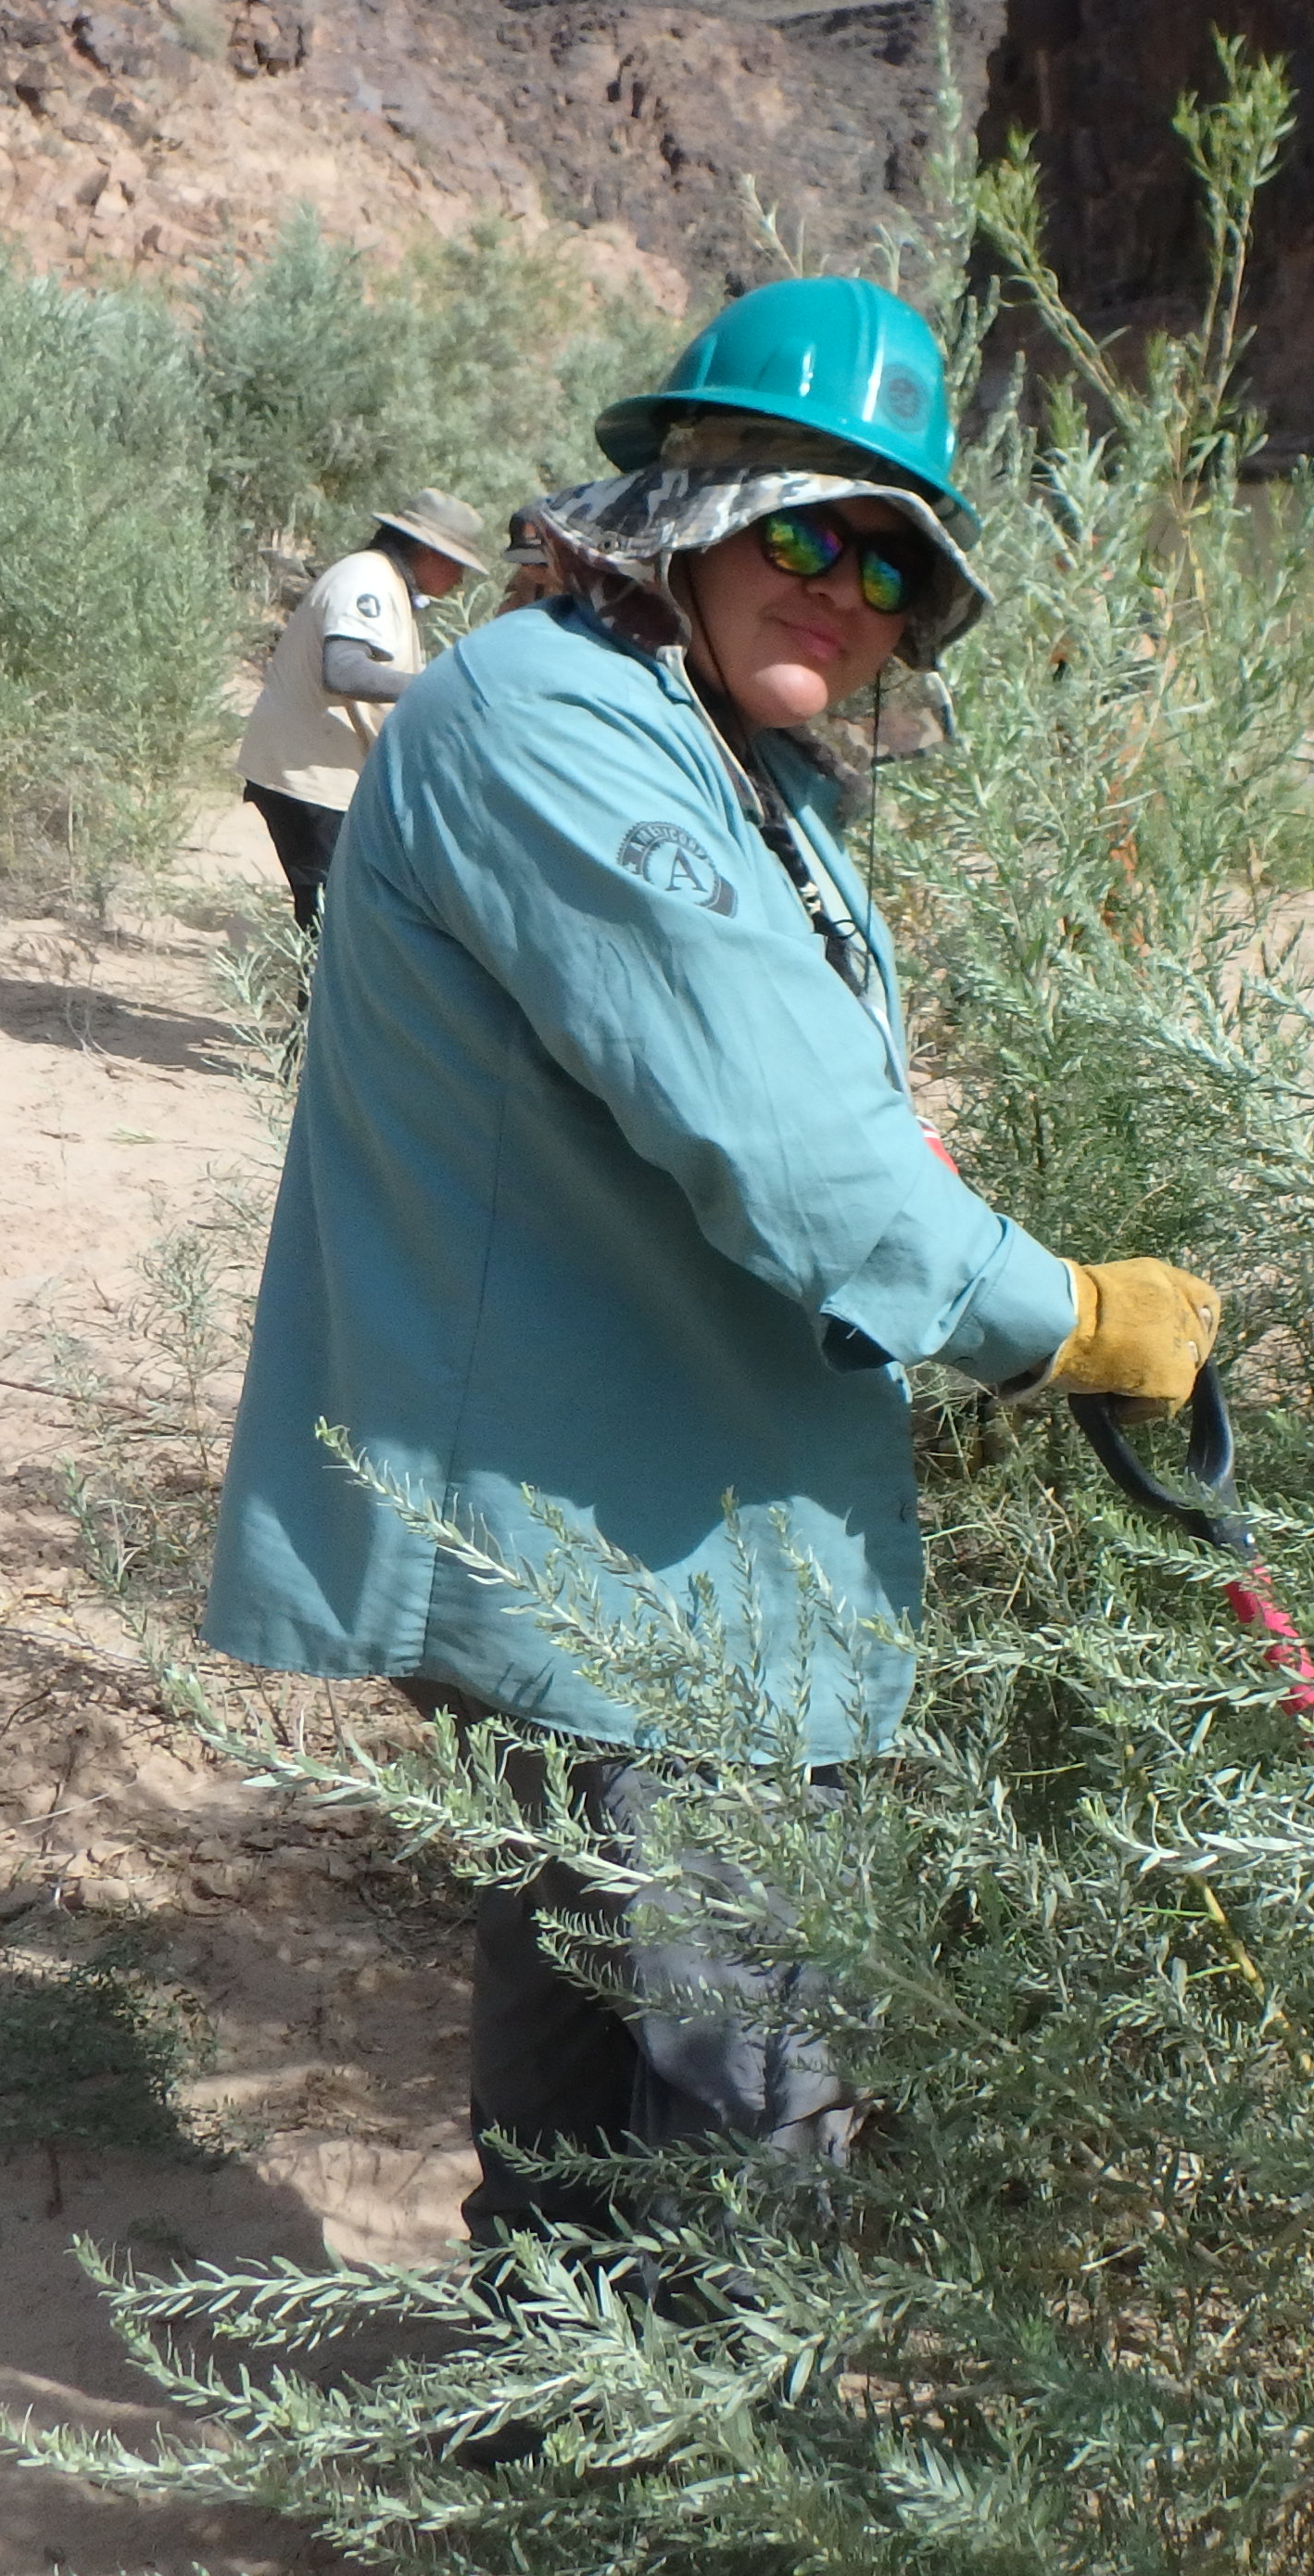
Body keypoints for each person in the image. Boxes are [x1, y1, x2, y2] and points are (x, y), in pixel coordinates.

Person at [206, 275, 1221, 2263]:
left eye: (894, 562)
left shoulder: (720, 757)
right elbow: (792, 1155)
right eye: (803, 528)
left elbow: (795, 1102)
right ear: (682, 507)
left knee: (590, 2140)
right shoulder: (554, 721)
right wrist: (1064, 1318)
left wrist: (939, 1229)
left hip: (647, 1566)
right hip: (659, 1594)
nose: (847, 588)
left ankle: (543, 2462)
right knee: (738, 2156)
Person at [237, 488, 492, 932]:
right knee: (335, 926)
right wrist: (440, 687)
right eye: (457, 564)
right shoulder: (367, 580)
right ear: (427, 552)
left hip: (321, 774)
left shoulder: (383, 583)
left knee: (335, 922)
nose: (460, 581)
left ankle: (319, 1000)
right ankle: (320, 1002)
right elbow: (344, 670)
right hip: (310, 779)